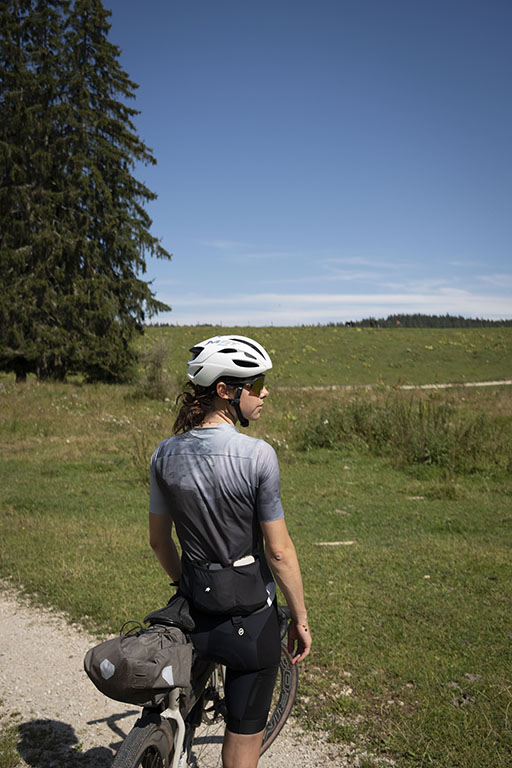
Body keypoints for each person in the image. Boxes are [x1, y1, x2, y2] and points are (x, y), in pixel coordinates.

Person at [148, 334, 311, 768]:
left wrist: (186, 582)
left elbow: (159, 542)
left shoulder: (164, 453)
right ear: (225, 391)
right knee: (241, 743)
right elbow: (278, 554)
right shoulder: (258, 456)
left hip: (194, 609)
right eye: (255, 385)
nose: (264, 393)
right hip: (251, 619)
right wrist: (300, 618)